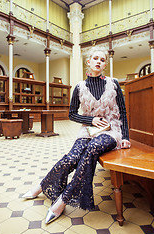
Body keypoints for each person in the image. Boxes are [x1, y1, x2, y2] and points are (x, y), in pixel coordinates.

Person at [22, 46, 131, 224]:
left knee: (92, 149)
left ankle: (62, 201)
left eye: (102, 60)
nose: (99, 61)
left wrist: (125, 137)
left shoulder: (114, 83)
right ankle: (41, 186)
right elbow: (71, 114)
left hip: (111, 130)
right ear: (88, 62)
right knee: (71, 158)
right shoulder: (80, 87)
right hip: (88, 130)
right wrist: (91, 120)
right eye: (95, 58)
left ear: (105, 65)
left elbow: (123, 113)